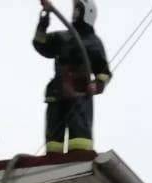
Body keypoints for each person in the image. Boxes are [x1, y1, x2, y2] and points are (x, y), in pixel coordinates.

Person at [33, 0, 112, 156]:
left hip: (80, 94)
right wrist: (44, 18)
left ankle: (79, 157)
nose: (73, 12)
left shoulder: (94, 43)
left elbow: (104, 73)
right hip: (57, 93)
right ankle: (52, 160)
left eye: (77, 9)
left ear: (86, 13)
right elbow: (40, 42)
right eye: (74, 8)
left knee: (79, 137)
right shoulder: (62, 37)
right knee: (53, 139)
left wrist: (96, 85)